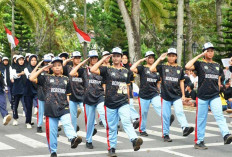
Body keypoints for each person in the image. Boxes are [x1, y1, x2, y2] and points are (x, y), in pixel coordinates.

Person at [91, 47, 143, 157]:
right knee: (112, 127)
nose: (115, 58)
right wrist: (104, 58)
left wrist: (128, 100)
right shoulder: (107, 69)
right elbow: (93, 69)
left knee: (126, 121)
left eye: (118, 56)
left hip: (123, 101)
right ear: (111, 57)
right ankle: (112, 148)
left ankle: (134, 140)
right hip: (110, 103)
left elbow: (127, 87)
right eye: (113, 56)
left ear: (121, 58)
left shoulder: (126, 71)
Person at [29, 56, 82, 157]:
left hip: (63, 108)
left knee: (67, 122)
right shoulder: (46, 78)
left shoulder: (66, 79)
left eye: (59, 65)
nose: (57, 67)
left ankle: (73, 138)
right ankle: (53, 151)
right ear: (51, 67)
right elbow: (31, 78)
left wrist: (69, 108)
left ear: (62, 67)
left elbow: (68, 95)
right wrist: (41, 68)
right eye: (55, 66)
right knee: (52, 133)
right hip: (50, 109)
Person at [185, 42, 232, 149]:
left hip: (214, 95)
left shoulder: (217, 65)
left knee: (219, 115)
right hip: (202, 96)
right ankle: (199, 142)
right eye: (208, 51)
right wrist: (200, 56)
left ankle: (226, 135)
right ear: (204, 52)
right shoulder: (199, 64)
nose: (210, 53)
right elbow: (187, 66)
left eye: (212, 51)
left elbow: (219, 80)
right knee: (201, 119)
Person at [150, 48, 194, 142]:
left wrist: (183, 95)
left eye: (173, 56)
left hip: (176, 95)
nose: (171, 57)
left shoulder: (179, 68)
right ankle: (166, 134)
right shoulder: (163, 66)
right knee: (166, 116)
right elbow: (152, 68)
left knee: (179, 111)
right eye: (169, 55)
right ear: (167, 57)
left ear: (176, 57)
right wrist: (159, 59)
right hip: (165, 96)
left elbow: (182, 82)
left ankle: (185, 127)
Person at [130, 51, 175, 136]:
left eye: (152, 57)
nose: (151, 59)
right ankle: (142, 130)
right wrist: (140, 60)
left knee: (160, 107)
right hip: (144, 94)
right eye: (149, 57)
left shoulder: (156, 69)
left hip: (154, 93)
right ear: (146, 58)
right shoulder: (142, 68)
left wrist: (160, 92)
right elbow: (132, 69)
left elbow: (158, 83)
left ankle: (168, 119)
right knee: (143, 113)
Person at [70, 50, 107, 149]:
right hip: (88, 98)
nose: (94, 59)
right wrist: (82, 63)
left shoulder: (102, 70)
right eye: (92, 58)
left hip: (99, 96)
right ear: (89, 59)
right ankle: (89, 140)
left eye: (95, 58)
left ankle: (110, 128)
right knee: (90, 121)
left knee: (103, 112)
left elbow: (104, 84)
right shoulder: (83, 70)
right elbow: (72, 73)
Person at [63, 51, 84, 132]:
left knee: (87, 113)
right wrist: (69, 60)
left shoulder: (82, 69)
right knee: (72, 117)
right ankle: (73, 133)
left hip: (81, 94)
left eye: (79, 58)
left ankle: (91, 128)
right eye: (76, 58)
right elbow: (62, 65)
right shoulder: (68, 68)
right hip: (71, 95)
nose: (78, 59)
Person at [31, 54, 52, 133]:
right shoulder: (40, 71)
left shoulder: (53, 71)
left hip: (51, 96)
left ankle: (51, 128)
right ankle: (39, 125)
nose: (47, 64)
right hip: (41, 95)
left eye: (49, 62)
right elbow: (32, 76)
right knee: (41, 111)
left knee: (50, 112)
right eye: (46, 62)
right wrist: (39, 65)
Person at [122, 54, 140, 129]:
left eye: (126, 58)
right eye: (123, 58)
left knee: (130, 104)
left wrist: (132, 90)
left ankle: (135, 119)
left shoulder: (130, 69)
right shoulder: (118, 68)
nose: (124, 60)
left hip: (129, 87)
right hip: (120, 88)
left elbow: (131, 82)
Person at [24, 54, 39, 128]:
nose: (33, 62)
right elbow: (29, 76)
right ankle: (28, 122)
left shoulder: (39, 68)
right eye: (32, 60)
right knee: (28, 106)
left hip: (37, 89)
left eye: (35, 60)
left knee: (39, 103)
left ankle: (39, 123)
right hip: (28, 89)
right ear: (29, 61)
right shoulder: (26, 68)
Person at [11, 55, 26, 126]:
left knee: (25, 104)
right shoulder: (14, 68)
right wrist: (21, 73)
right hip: (16, 89)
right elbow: (14, 76)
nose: (21, 61)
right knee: (15, 105)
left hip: (24, 89)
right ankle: (15, 119)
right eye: (20, 60)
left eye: (22, 60)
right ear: (17, 61)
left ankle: (28, 120)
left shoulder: (26, 68)